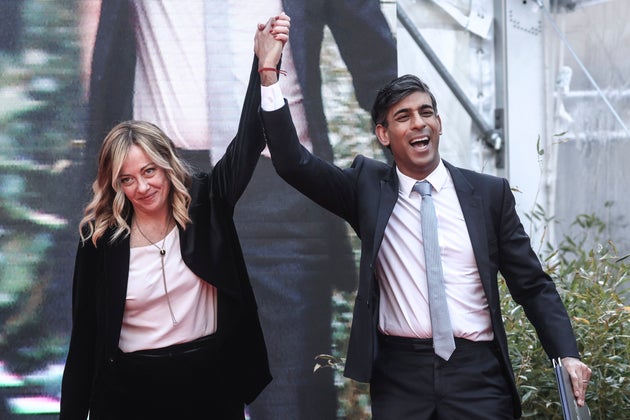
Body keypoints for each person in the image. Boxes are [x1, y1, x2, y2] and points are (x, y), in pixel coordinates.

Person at [79, 2, 396, 418]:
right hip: (166, 197)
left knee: (291, 399)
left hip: (282, 193)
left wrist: (417, 186)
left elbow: (375, 63)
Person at [261, 73, 592, 419]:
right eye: (403, 117)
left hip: (478, 375)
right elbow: (292, 162)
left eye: (426, 112)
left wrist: (566, 354)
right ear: (384, 135)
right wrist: (269, 78)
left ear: (439, 122)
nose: (419, 123)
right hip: (401, 376)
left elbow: (533, 286)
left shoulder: (488, 194)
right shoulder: (367, 189)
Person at [59, 14, 290, 419]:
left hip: (208, 385)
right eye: (127, 179)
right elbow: (84, 347)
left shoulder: (207, 203)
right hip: (130, 395)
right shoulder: (100, 240)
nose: (142, 187)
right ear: (115, 185)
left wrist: (265, 68)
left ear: (167, 165)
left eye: (149, 171)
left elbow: (249, 139)